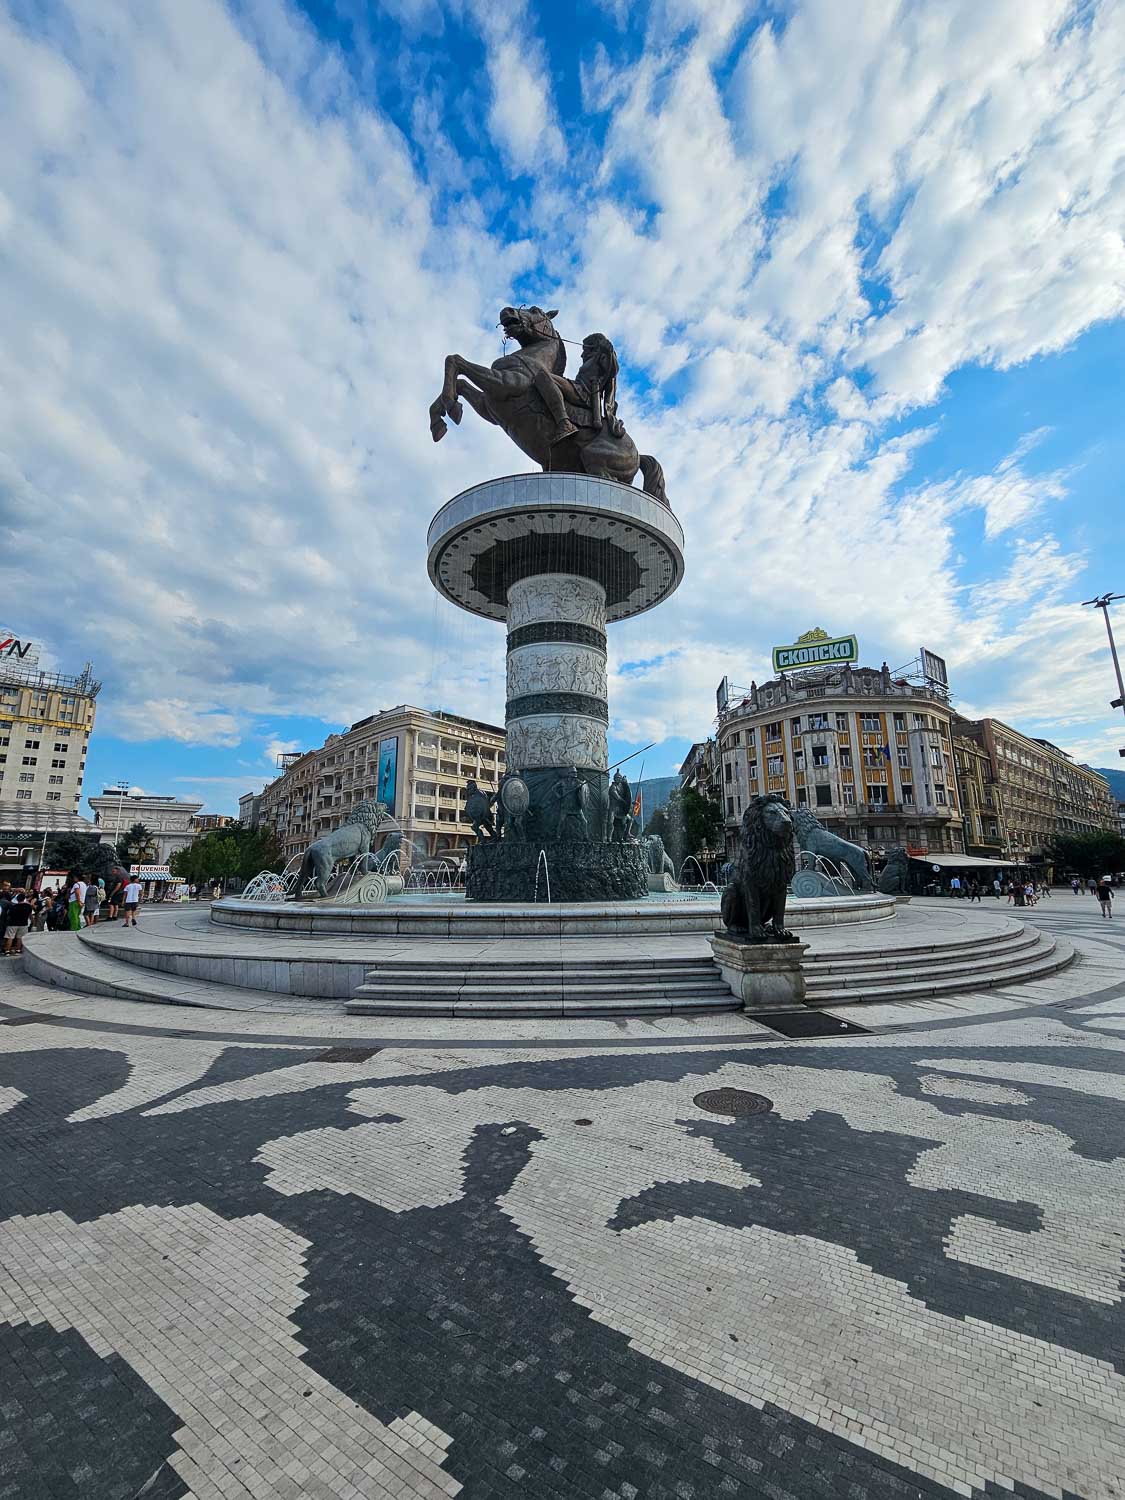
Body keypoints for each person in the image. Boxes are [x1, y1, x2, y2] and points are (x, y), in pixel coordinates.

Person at [2, 890, 31, 955]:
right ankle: (18, 950)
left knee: (10, 937)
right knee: (20, 937)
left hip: (13, 924)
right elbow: (30, 915)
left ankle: (7, 951)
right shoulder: (28, 906)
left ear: (17, 899)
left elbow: (9, 915)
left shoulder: (13, 907)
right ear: (24, 899)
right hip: (24, 924)